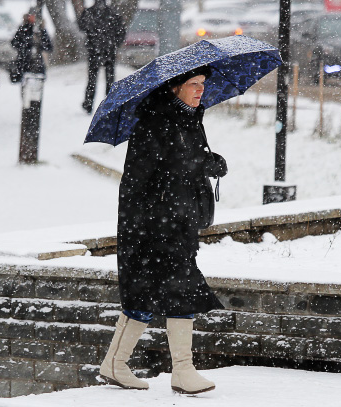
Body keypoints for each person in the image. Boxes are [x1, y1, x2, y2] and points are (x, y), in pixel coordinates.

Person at [99, 66, 228, 394]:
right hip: (155, 225)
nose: (200, 90)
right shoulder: (154, 122)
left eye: (202, 84)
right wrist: (198, 165)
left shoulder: (189, 120)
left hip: (178, 222)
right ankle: (183, 370)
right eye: (193, 84)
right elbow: (146, 177)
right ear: (174, 87)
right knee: (181, 289)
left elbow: (184, 162)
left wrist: (210, 161)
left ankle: (115, 364)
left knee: (146, 294)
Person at [77, 0, 126, 113]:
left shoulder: (89, 12)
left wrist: (92, 41)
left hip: (94, 50)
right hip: (109, 50)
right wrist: (115, 44)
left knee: (92, 78)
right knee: (110, 79)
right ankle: (110, 104)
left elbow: (81, 26)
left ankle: (88, 103)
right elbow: (121, 31)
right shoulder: (113, 13)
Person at [11, 9, 53, 80]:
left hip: (38, 62)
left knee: (38, 80)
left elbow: (49, 46)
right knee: (25, 80)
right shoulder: (22, 29)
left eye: (34, 16)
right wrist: (25, 46)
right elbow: (14, 43)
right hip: (24, 62)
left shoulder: (41, 30)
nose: (33, 18)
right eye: (31, 16)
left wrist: (40, 46)